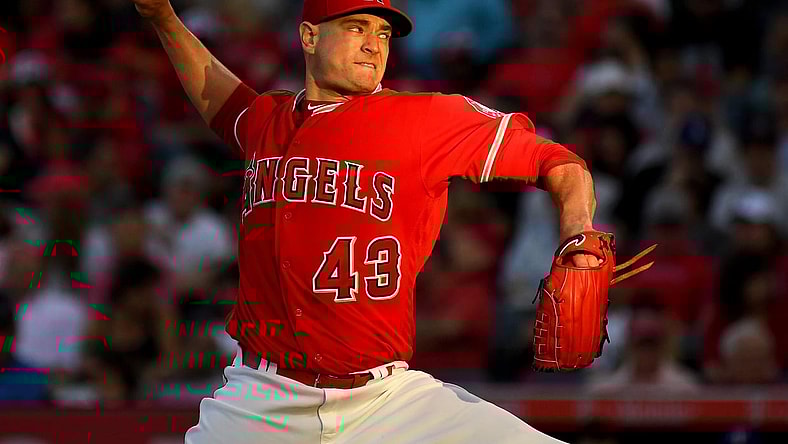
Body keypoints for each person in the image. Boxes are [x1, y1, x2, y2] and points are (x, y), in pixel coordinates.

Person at [132, 0, 600, 442]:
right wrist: (164, 18)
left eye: (383, 33)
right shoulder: (266, 121)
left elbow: (558, 162)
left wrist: (578, 234)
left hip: (386, 400)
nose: (374, 45)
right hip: (260, 398)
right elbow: (216, 96)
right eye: (356, 28)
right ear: (309, 37)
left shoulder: (424, 119)